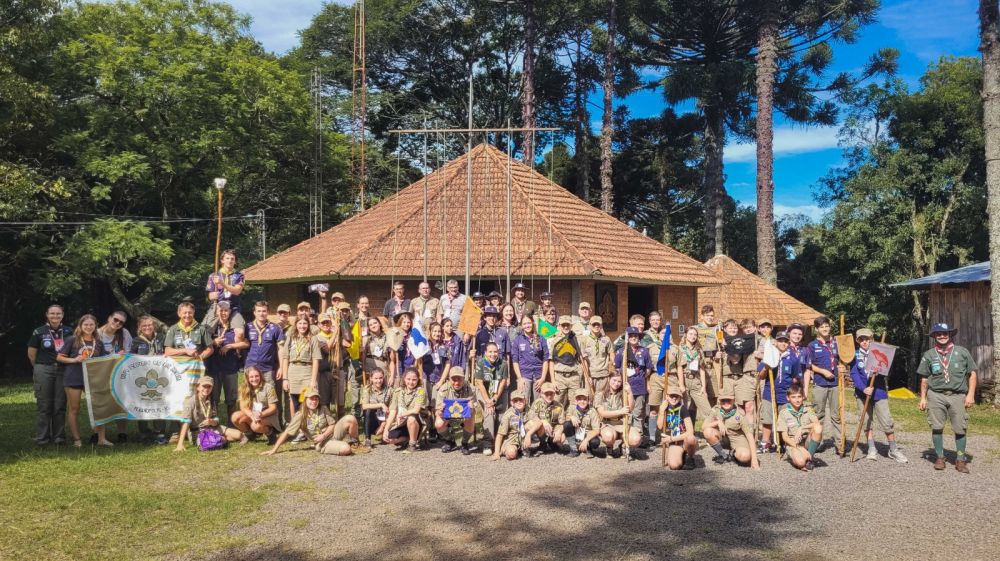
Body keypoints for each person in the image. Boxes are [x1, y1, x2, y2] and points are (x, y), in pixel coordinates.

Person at [918, 322, 977, 473]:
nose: (942, 336)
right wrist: (923, 398)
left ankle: (960, 459)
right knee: (937, 427)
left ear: (950, 335)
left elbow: (972, 374)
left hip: (957, 396)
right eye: (938, 334)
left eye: (945, 333)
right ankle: (940, 456)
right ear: (934, 336)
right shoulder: (929, 355)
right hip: (936, 395)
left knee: (960, 428)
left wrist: (970, 395)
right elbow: (924, 378)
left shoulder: (962, 352)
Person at [850, 328, 907, 463]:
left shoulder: (881, 352)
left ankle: (893, 449)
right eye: (861, 339)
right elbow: (854, 374)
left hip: (879, 391)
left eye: (867, 339)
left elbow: (887, 370)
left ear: (872, 340)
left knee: (887, 421)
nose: (864, 342)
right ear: (858, 341)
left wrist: (879, 370)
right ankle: (871, 448)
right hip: (862, 393)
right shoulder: (854, 355)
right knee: (866, 421)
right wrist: (863, 389)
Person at [57, 314, 111, 447]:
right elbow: (59, 357)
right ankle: (77, 439)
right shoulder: (72, 340)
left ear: (95, 326)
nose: (88, 327)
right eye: (85, 324)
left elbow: (104, 359)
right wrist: (74, 359)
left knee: (98, 407)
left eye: (91, 325)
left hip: (93, 379)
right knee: (74, 408)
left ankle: (101, 439)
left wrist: (117, 356)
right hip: (74, 378)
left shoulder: (98, 342)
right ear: (80, 326)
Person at [262, 388, 358, 456]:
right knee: (346, 449)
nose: (314, 401)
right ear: (305, 400)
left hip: (331, 434)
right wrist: (274, 450)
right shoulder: (300, 415)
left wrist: (324, 435)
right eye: (311, 399)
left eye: (316, 399)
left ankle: (356, 443)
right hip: (322, 443)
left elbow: (332, 425)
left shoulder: (323, 408)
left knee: (350, 418)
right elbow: (287, 433)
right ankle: (340, 445)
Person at [27, 304, 73, 446]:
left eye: (58, 313)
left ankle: (59, 437)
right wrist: (39, 368)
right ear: (47, 315)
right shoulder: (39, 332)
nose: (55, 316)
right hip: (44, 369)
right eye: (52, 313)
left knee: (60, 405)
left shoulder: (69, 331)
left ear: (62, 315)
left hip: (62, 370)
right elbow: (31, 354)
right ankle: (43, 438)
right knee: (44, 405)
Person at [757, 330, 804, 453]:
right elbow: (761, 376)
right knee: (767, 419)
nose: (783, 343)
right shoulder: (769, 356)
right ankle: (765, 443)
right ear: (776, 342)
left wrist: (800, 392)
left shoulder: (793, 358)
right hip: (769, 392)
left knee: (784, 420)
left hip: (785, 394)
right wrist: (767, 367)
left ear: (788, 343)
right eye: (780, 341)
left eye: (785, 341)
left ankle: (782, 442)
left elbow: (797, 377)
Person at [175, 376, 245, 451]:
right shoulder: (190, 402)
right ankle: (221, 439)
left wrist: (213, 421)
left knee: (239, 435)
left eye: (209, 387)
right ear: (198, 387)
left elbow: (216, 418)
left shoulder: (211, 400)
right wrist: (180, 444)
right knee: (208, 444)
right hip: (199, 432)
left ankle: (220, 439)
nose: (206, 389)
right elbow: (186, 423)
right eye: (204, 386)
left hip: (213, 428)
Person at [806, 315, 844, 453]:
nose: (825, 328)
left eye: (826, 326)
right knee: (818, 415)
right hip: (820, 384)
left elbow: (844, 359)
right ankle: (815, 443)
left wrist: (843, 367)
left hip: (835, 384)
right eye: (822, 327)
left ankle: (840, 444)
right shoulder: (812, 345)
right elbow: (809, 365)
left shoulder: (836, 342)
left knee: (836, 415)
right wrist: (822, 371)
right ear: (817, 329)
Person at [245, 301, 287, 421]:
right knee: (251, 396)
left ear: (268, 312)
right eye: (259, 311)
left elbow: (281, 349)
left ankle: (276, 423)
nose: (261, 313)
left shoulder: (275, 328)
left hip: (268, 368)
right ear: (254, 312)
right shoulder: (247, 327)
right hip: (251, 368)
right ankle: (252, 424)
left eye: (264, 311)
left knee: (272, 396)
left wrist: (281, 367)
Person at [96, 310, 133, 442]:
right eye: (115, 320)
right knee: (100, 403)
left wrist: (124, 354)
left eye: (121, 322)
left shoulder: (124, 333)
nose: (117, 323)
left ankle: (122, 433)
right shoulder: (96, 333)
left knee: (120, 402)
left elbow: (129, 352)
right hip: (101, 373)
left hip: (119, 373)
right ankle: (98, 434)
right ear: (109, 318)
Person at [206, 301, 247, 421]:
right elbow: (201, 344)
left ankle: (232, 423)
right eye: (221, 310)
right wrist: (214, 342)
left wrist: (230, 346)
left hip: (230, 368)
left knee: (231, 400)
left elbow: (246, 343)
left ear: (230, 312)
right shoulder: (210, 328)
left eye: (226, 310)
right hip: (213, 368)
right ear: (217, 312)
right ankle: (215, 425)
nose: (223, 313)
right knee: (213, 399)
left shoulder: (234, 327)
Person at [131, 315, 169, 443]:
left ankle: (160, 432)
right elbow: (130, 360)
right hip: (142, 377)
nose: (147, 327)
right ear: (140, 328)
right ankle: (144, 432)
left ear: (154, 326)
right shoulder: (136, 341)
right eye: (144, 326)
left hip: (160, 376)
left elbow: (168, 351)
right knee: (143, 403)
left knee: (158, 402)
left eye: (149, 325)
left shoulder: (161, 338)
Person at [702, 387, 760, 469]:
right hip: (723, 438)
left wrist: (754, 460)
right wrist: (718, 422)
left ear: (734, 400)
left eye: (729, 400)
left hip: (737, 439)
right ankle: (723, 456)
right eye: (723, 400)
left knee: (745, 457)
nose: (726, 402)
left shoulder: (740, 415)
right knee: (708, 432)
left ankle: (733, 454)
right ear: (719, 401)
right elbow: (703, 427)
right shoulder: (716, 410)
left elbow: (750, 437)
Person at [614, 326, 652, 446]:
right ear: (627, 338)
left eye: (635, 336)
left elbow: (648, 369)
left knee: (638, 413)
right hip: (625, 387)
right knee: (626, 413)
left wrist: (640, 377)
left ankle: (637, 438)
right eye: (631, 336)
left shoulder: (644, 351)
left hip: (639, 387)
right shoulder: (621, 351)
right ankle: (625, 438)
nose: (633, 338)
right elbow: (616, 368)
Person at [545, 315, 591, 408]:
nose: (566, 327)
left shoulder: (577, 339)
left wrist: (587, 376)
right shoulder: (554, 340)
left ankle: (571, 421)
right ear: (559, 325)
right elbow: (551, 361)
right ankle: (558, 421)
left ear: (571, 325)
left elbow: (583, 359)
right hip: (559, 376)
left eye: (568, 325)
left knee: (574, 403)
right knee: (557, 402)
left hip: (574, 376)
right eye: (563, 325)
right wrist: (553, 380)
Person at [281, 317, 322, 417]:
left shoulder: (313, 339)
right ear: (296, 325)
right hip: (293, 370)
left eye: (305, 323)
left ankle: (306, 425)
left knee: (306, 399)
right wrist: (285, 378)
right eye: (300, 323)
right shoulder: (290, 337)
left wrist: (313, 380)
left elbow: (316, 360)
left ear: (308, 325)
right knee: (293, 399)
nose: (302, 326)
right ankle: (294, 425)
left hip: (307, 371)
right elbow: (285, 358)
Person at [777, 382, 822, 471]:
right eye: (793, 397)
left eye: (799, 397)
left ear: (803, 397)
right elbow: (785, 437)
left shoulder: (808, 409)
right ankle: (801, 457)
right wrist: (798, 447)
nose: (797, 400)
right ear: (788, 398)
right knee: (800, 463)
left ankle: (809, 459)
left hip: (806, 440)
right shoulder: (784, 413)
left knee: (818, 428)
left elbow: (817, 424)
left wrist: (801, 428)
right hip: (792, 443)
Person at [475, 341, 509, 453]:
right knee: (489, 412)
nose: (492, 354)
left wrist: (494, 399)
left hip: (499, 391)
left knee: (502, 416)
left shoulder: (503, 364)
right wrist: (488, 402)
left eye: (495, 352)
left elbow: (503, 382)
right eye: (490, 352)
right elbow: (479, 383)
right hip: (484, 391)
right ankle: (487, 443)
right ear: (485, 352)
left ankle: (501, 440)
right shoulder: (480, 363)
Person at [230, 366, 280, 443]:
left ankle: (270, 433)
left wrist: (260, 414)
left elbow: (273, 408)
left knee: (255, 426)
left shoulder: (268, 387)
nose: (254, 379)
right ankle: (249, 434)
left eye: (257, 376)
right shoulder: (243, 388)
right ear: (247, 378)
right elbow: (243, 407)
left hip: (267, 415)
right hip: (252, 414)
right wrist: (251, 415)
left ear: (260, 376)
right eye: (251, 377)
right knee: (235, 417)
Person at [383, 367, 427, 453]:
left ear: (418, 380)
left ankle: (412, 444)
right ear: (404, 379)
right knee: (390, 438)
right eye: (408, 379)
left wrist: (402, 415)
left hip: (417, 420)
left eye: (414, 379)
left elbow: (416, 410)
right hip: (402, 422)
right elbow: (393, 411)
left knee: (411, 418)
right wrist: (386, 430)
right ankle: (408, 439)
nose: (411, 382)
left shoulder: (420, 391)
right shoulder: (398, 391)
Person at [596, 372, 639, 458]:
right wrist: (621, 411)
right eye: (614, 380)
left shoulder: (624, 393)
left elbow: (630, 408)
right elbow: (602, 413)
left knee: (635, 440)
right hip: (608, 424)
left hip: (623, 423)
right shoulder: (600, 394)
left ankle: (622, 446)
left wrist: (630, 392)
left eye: (619, 381)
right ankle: (609, 447)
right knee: (608, 437)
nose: (616, 383)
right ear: (609, 379)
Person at [435, 366, 476, 454]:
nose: (456, 382)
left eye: (459, 379)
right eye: (454, 379)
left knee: (471, 416)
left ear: (464, 378)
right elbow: (437, 413)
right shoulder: (443, 389)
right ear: (448, 379)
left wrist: (471, 408)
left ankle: (464, 443)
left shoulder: (471, 389)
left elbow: (474, 412)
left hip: (464, 416)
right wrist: (441, 410)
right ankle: (450, 441)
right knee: (438, 424)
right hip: (448, 416)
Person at [669, 326, 708, 420]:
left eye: (695, 334)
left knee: (706, 409)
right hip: (684, 380)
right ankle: (684, 430)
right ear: (685, 335)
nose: (693, 336)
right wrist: (681, 385)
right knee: (684, 406)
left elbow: (702, 369)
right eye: (690, 334)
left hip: (696, 381)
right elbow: (679, 367)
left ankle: (697, 430)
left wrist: (704, 387)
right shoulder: (680, 349)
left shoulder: (699, 350)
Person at [421, 322, 451, 439]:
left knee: (436, 406)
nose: (437, 333)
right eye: (435, 331)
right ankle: (428, 428)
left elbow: (448, 364)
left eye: (439, 331)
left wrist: (442, 380)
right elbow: (418, 362)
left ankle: (435, 428)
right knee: (426, 405)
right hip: (426, 379)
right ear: (430, 332)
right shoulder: (424, 345)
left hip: (438, 380)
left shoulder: (444, 347)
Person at [512, 314, 550, 406]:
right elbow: (515, 361)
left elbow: (545, 359)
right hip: (524, 376)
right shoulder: (518, 340)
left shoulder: (541, 339)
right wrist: (520, 378)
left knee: (539, 404)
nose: (527, 325)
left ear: (533, 323)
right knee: (523, 403)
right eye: (524, 324)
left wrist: (543, 378)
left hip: (538, 377)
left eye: (529, 323)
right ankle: (524, 420)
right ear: (521, 326)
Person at [204, 249, 246, 331]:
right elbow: (210, 296)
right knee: (205, 331)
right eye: (227, 258)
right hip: (217, 307)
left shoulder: (240, 275)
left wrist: (222, 283)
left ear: (235, 261)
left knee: (240, 332)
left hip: (233, 307)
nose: (230, 261)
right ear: (222, 260)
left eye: (232, 259)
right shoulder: (213, 275)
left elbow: (237, 291)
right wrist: (213, 296)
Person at [657, 388, 697, 470]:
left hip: (682, 439)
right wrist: (661, 411)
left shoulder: (683, 409)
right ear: (667, 396)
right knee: (674, 466)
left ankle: (690, 457)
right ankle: (681, 455)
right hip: (673, 442)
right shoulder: (665, 409)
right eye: (672, 396)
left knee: (691, 438)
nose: (674, 398)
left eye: (677, 396)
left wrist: (671, 439)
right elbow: (660, 426)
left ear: (680, 398)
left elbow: (690, 432)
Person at [524, 382, 565, 455]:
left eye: (551, 393)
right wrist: (543, 421)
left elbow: (562, 423)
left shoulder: (559, 406)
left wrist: (559, 432)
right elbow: (531, 416)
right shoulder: (537, 403)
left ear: (554, 394)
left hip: (552, 430)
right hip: (541, 430)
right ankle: (542, 444)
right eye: (546, 394)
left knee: (562, 437)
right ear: (541, 394)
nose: (549, 396)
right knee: (529, 424)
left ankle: (551, 442)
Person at [562, 388, 602, 457]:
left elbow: (597, 430)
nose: (582, 401)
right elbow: (565, 418)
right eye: (579, 399)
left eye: (584, 399)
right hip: (576, 434)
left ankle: (588, 448)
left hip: (587, 435)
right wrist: (571, 417)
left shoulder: (592, 411)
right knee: (567, 424)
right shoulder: (571, 408)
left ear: (588, 400)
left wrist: (586, 440)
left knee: (595, 442)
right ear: (576, 401)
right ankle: (574, 449)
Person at [491, 390, 529, 461]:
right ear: (511, 403)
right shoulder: (508, 415)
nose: (518, 402)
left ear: (525, 401)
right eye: (515, 400)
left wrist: (529, 435)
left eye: (521, 400)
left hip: (522, 438)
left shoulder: (528, 410)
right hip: (511, 440)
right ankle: (509, 450)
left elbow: (538, 422)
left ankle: (525, 448)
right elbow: (500, 435)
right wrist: (496, 453)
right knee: (511, 454)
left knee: (532, 423)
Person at [580, 316, 613, 395]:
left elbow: (611, 353)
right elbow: (583, 360)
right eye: (594, 324)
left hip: (603, 375)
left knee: (602, 398)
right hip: (591, 374)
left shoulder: (606, 339)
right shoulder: (584, 340)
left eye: (598, 324)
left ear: (601, 326)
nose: (596, 326)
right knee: (590, 398)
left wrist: (611, 370)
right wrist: (587, 376)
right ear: (590, 325)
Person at [359, 367, 392, 448]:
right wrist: (381, 404)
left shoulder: (389, 390)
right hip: (372, 419)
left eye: (380, 378)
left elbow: (392, 408)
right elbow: (364, 406)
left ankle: (384, 434)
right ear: (371, 379)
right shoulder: (367, 389)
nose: (378, 381)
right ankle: (367, 439)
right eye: (376, 378)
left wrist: (384, 424)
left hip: (384, 419)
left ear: (383, 377)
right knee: (368, 410)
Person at [362, 316, 391, 385]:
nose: (373, 326)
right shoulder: (366, 338)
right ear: (369, 327)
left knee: (384, 388)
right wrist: (363, 368)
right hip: (370, 365)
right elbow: (363, 354)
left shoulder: (388, 336)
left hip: (383, 365)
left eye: (375, 323)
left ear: (380, 324)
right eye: (370, 325)